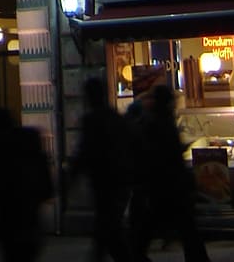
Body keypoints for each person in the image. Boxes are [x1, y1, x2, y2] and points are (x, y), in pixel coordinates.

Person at [127, 85, 209, 262]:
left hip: (162, 188)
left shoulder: (153, 123)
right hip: (170, 187)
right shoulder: (164, 123)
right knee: (187, 231)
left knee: (146, 235)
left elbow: (151, 156)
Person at [0, 107, 53, 262]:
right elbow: (47, 189)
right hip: (31, 227)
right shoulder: (31, 146)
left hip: (11, 229)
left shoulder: (1, 153)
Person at [70, 77, 133, 261]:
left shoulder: (92, 120)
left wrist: (72, 176)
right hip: (119, 182)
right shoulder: (115, 117)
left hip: (104, 183)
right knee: (109, 231)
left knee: (107, 230)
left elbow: (84, 150)